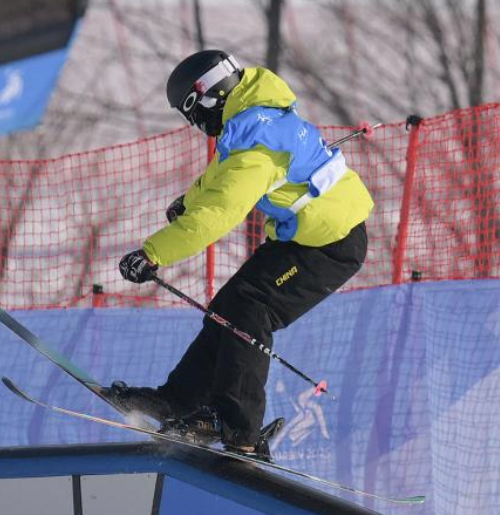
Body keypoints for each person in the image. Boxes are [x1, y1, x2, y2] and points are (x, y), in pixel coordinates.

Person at [102, 49, 373, 460]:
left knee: (249, 309)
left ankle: (239, 430)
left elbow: (219, 213)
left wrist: (154, 253)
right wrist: (189, 200)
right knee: (228, 306)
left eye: (191, 114)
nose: (195, 125)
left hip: (331, 244)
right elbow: (220, 178)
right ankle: (179, 400)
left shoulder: (255, 145)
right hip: (308, 237)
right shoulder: (254, 118)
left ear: (207, 96)